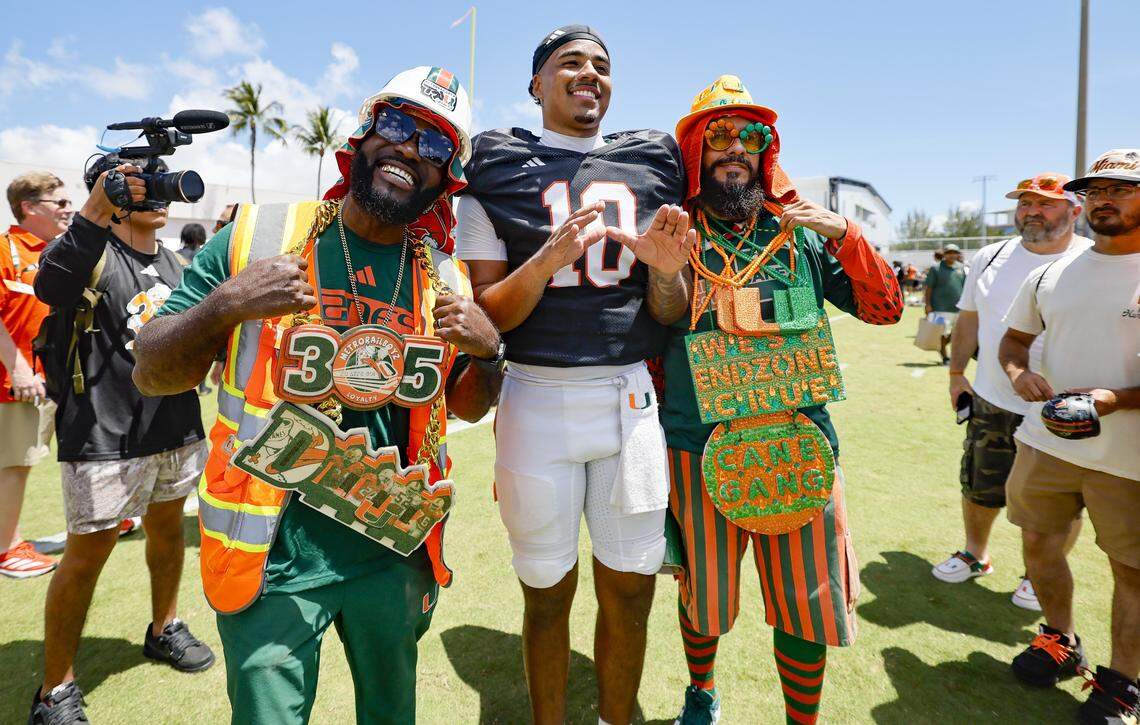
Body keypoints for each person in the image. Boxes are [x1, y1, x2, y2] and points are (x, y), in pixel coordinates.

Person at [134, 66, 502, 725]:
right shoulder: (259, 234)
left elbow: (467, 405)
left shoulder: (444, 278)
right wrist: (225, 305)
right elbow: (153, 369)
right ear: (361, 138)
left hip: (393, 551)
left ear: (447, 180)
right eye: (396, 125)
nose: (411, 148)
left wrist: (491, 353)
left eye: (435, 144)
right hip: (270, 553)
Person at [457, 24, 694, 724]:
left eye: (601, 65)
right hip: (536, 396)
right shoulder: (497, 166)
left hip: (629, 397)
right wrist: (545, 262)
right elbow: (489, 315)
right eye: (570, 63)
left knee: (632, 589)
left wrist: (666, 272)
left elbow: (669, 311)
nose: (589, 74)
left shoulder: (652, 160)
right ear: (536, 85)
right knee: (546, 590)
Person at [660, 75, 902, 724]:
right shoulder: (674, 233)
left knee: (806, 601)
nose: (735, 146)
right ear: (694, 150)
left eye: (751, 134)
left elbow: (885, 309)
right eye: (719, 135)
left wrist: (844, 233)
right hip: (694, 447)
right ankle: (701, 692)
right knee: (702, 596)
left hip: (799, 448)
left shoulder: (800, 235)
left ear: (768, 149)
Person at [29, 155, 214, 724]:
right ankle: (54, 689)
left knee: (167, 529)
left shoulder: (181, 262)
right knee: (88, 554)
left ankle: (165, 626)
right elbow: (50, 284)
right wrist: (96, 208)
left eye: (159, 179)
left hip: (175, 424)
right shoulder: (88, 251)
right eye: (139, 183)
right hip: (102, 428)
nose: (156, 192)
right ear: (108, 192)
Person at [999, 149, 1140, 724]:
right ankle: (1059, 640)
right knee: (1039, 544)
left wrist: (1114, 399)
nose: (1104, 199)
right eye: (1097, 190)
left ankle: (1123, 680)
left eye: (1121, 189)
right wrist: (1019, 374)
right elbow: (1011, 344)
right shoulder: (1051, 272)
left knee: (1131, 570)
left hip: (1129, 458)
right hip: (1047, 441)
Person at [934, 173, 1092, 609]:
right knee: (979, 483)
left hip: (1061, 406)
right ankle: (975, 554)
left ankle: (1038, 573)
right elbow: (968, 320)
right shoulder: (990, 256)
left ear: (1074, 211)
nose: (1032, 212)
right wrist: (955, 375)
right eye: (1025, 203)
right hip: (993, 397)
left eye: (1045, 204)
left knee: (1059, 502)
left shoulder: (1093, 259)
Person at [0, 172, 71, 579]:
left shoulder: (55, 252)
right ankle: (8, 549)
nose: (68, 208)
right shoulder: (6, 248)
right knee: (14, 463)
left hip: (47, 380)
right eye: (58, 202)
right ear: (28, 207)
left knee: (21, 462)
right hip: (16, 383)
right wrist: (20, 369)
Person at [925, 243, 966, 364]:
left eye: (954, 252)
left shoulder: (962, 268)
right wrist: (928, 304)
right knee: (942, 333)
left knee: (957, 333)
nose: (952, 255)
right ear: (944, 254)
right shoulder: (935, 268)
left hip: (959, 307)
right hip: (940, 307)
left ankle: (940, 347)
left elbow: (965, 287)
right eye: (949, 253)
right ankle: (945, 357)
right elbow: (929, 288)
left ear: (958, 254)